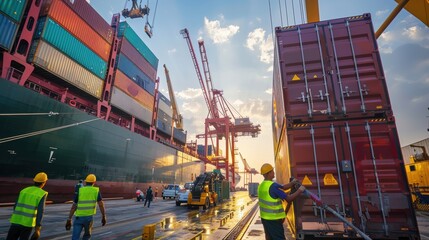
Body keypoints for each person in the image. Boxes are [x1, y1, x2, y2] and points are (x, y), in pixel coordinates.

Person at [258, 163, 305, 240]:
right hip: (274, 220)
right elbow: (289, 199)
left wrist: (292, 183)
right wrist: (300, 190)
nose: (274, 172)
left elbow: (283, 187)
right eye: (272, 171)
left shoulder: (261, 185)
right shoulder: (272, 186)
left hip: (265, 218)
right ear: (268, 173)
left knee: (269, 237)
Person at [6, 172, 48, 240]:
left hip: (16, 221)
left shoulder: (24, 190)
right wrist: (38, 228)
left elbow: (15, 206)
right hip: (27, 224)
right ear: (44, 182)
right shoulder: (42, 193)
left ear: (34, 181)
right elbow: (41, 211)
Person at [65, 174, 107, 240]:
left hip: (78, 218)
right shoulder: (96, 191)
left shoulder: (80, 190)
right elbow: (101, 205)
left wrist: (69, 219)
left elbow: (74, 206)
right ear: (94, 182)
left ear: (85, 182)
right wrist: (103, 216)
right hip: (88, 218)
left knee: (75, 238)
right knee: (86, 237)